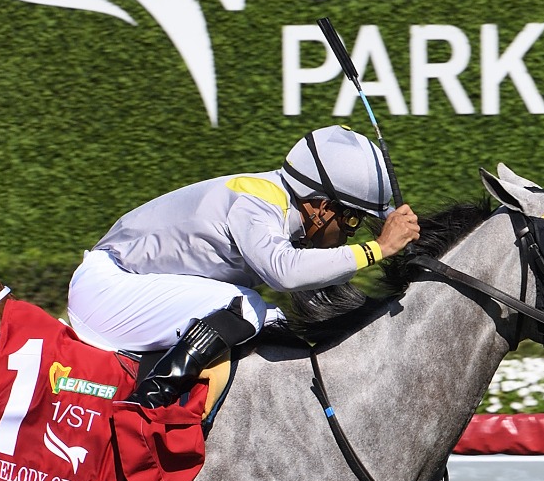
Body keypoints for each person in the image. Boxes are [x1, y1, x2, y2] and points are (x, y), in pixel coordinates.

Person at [67, 125, 421, 408]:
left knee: (274, 320)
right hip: (106, 293)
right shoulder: (258, 200)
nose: (349, 233)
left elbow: (310, 283)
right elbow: (284, 272)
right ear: (321, 208)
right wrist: (378, 249)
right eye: (352, 221)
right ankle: (148, 406)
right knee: (246, 307)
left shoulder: (289, 209)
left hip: (131, 290)